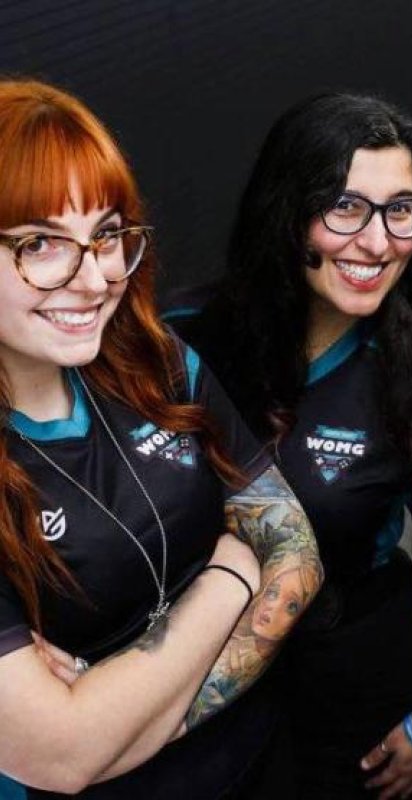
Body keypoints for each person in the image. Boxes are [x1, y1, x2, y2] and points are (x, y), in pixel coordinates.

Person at [0, 79, 321, 799]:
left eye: (108, 234)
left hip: (256, 760)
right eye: (42, 244)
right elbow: (60, 755)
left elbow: (296, 552)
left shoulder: (157, 361)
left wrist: (125, 725)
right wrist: (234, 570)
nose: (95, 278)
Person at [167, 92, 412, 799]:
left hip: (349, 683)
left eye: (401, 209)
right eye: (344, 207)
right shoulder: (182, 339)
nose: (377, 243)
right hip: (189, 678)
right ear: (286, 210)